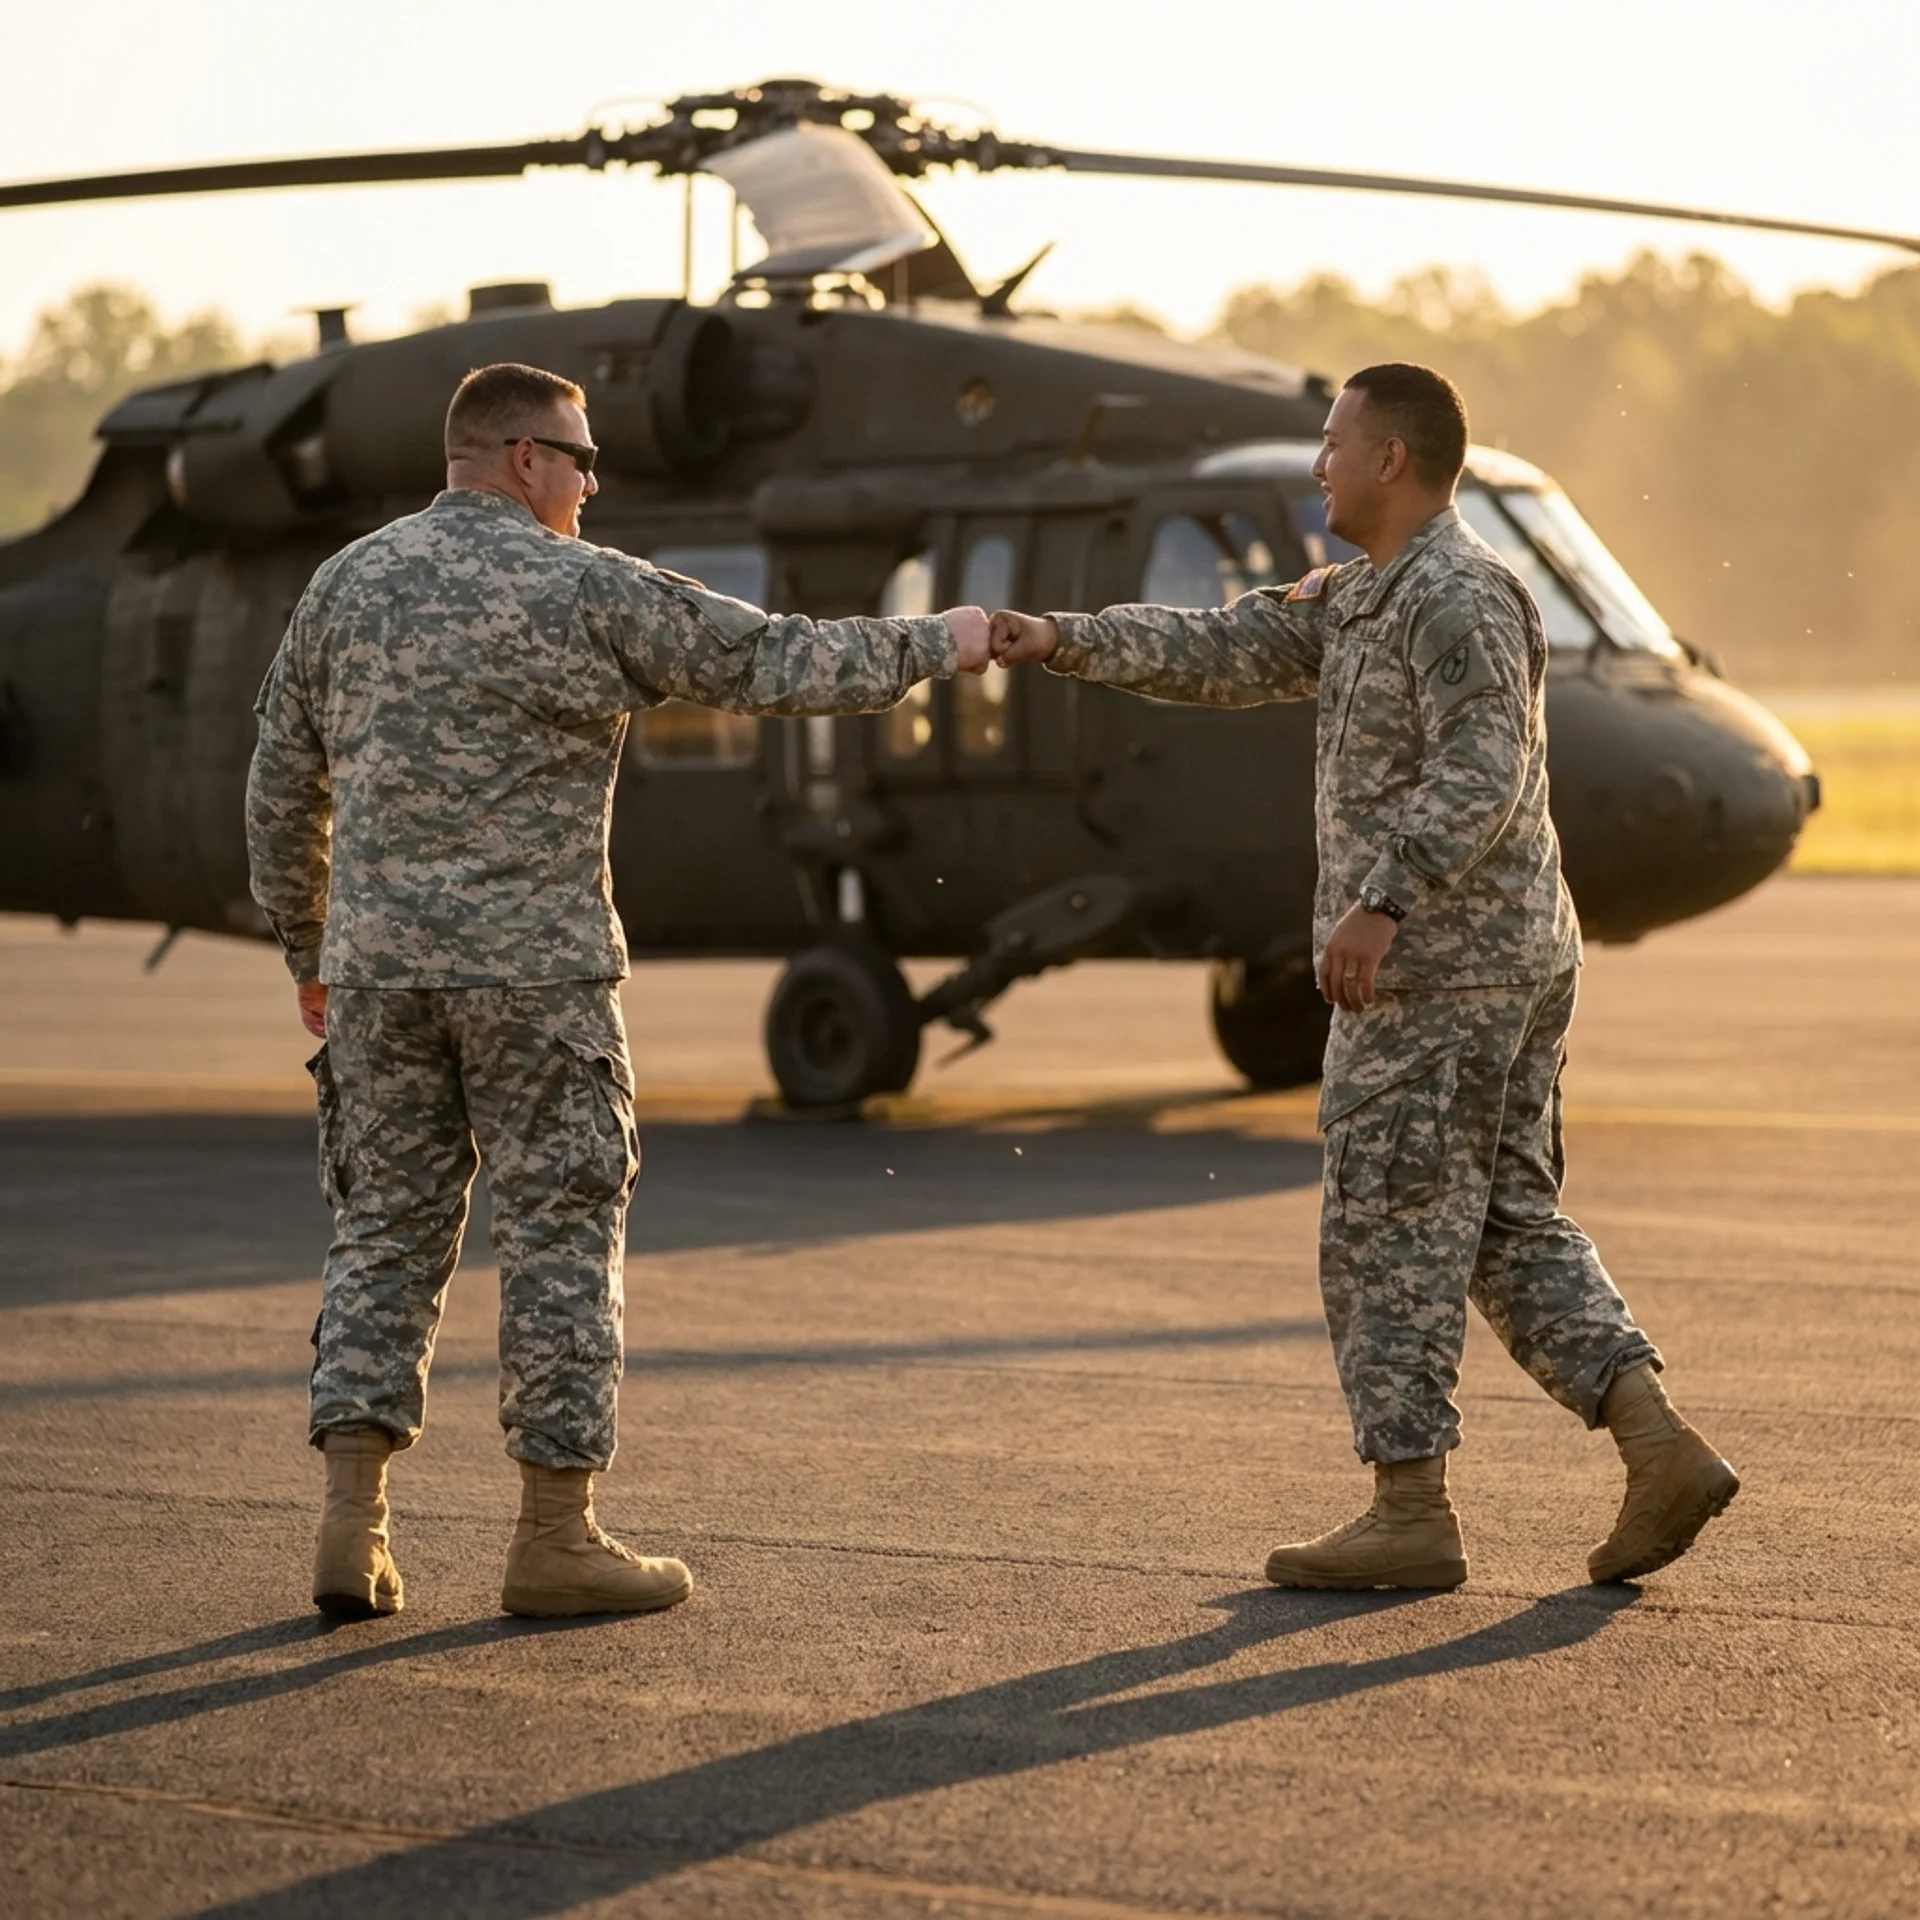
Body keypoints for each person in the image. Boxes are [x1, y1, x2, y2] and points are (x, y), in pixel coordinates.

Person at [248, 361, 992, 1622]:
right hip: (536, 979)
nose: (593, 487)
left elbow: (278, 786)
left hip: (378, 977)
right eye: (583, 461)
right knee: (557, 1234)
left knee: (383, 1233)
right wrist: (943, 641)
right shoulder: (581, 586)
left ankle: (350, 1526)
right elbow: (770, 661)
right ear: (525, 458)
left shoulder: (345, 586)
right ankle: (555, 1539)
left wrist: (310, 947)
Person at [989, 363, 1737, 1590]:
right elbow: (1222, 646)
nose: (1319, 465)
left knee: (1382, 1228)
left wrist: (1381, 902)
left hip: (1442, 974)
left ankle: (1410, 1510)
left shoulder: (1457, 593)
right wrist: (1061, 638)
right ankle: (1660, 1448)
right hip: (1493, 964)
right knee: (1502, 1223)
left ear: (1392, 460)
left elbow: (1483, 767)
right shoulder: (1362, 596)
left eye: (1335, 444)